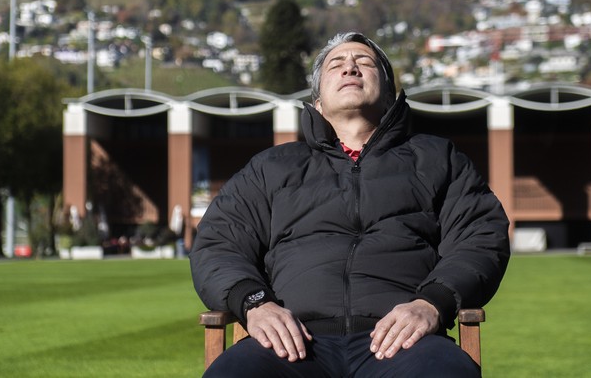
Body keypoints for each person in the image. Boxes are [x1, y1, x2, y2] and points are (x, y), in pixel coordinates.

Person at [190, 32, 510, 377]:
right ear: (318, 101)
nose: (350, 68)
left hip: (404, 341)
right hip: (291, 340)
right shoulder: (270, 167)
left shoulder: (437, 158)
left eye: (365, 63)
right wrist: (255, 303)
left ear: (388, 96)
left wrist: (432, 302)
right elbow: (218, 243)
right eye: (336, 64)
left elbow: (480, 237)